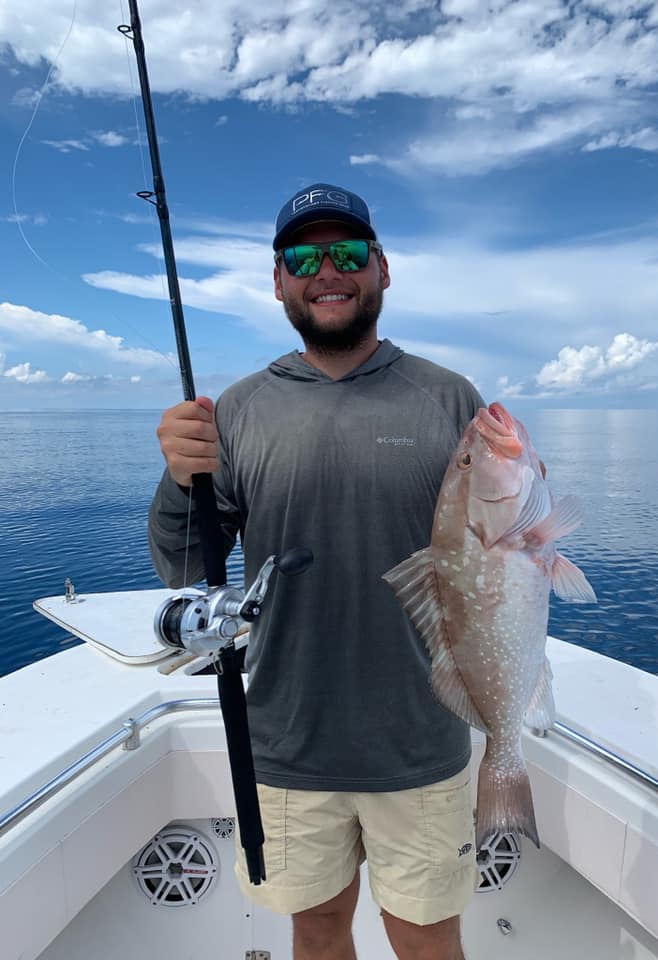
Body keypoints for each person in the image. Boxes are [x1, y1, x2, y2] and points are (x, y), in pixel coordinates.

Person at [148, 182, 485, 960]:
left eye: (348, 251)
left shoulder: (447, 397)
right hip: (287, 740)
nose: (326, 269)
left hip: (422, 739)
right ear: (277, 281)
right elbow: (186, 564)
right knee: (317, 930)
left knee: (429, 938)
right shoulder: (236, 410)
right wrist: (178, 476)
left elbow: (498, 551)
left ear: (382, 268)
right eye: (302, 255)